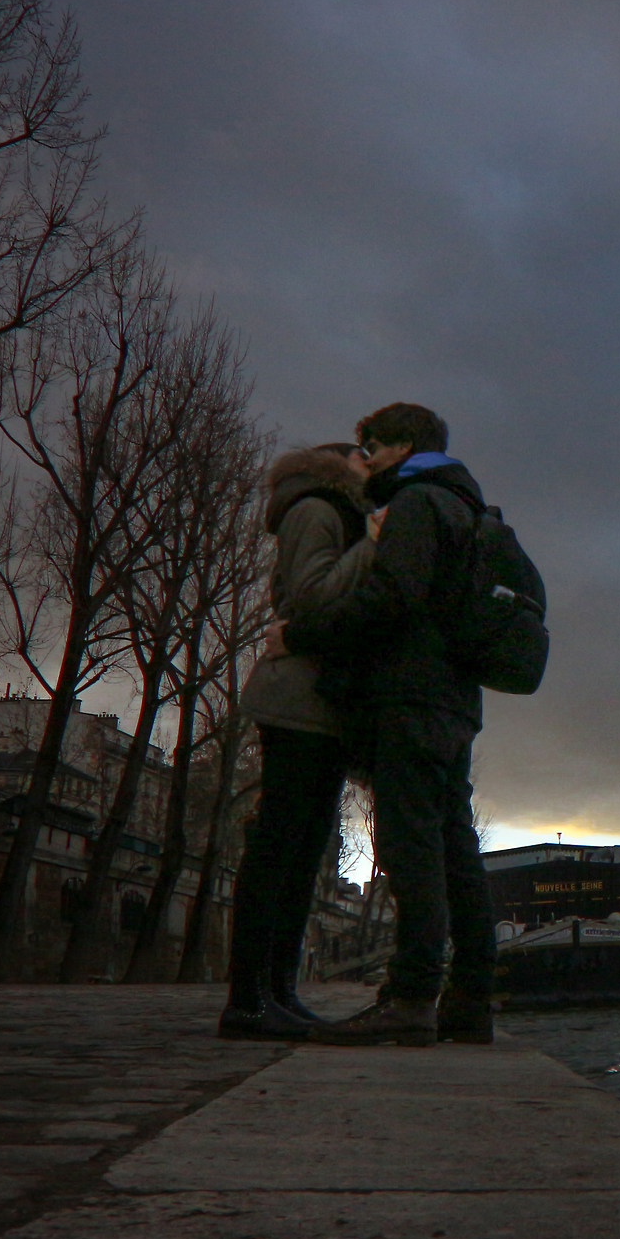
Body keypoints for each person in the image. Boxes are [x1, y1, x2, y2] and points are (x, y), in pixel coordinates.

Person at [273, 402, 497, 1046]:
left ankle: (411, 996)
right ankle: (472, 999)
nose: (363, 461)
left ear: (399, 448)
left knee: (410, 848)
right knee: (457, 849)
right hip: (455, 700)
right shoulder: (468, 506)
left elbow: (391, 597)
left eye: (369, 449)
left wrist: (301, 633)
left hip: (410, 697)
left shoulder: (419, 504)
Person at [219, 442, 375, 1039]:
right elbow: (313, 598)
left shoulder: (328, 512)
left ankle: (276, 991)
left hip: (317, 702)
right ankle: (250, 998)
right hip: (297, 700)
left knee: (302, 849)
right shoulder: (319, 509)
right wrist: (376, 550)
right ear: (342, 468)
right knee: (280, 846)